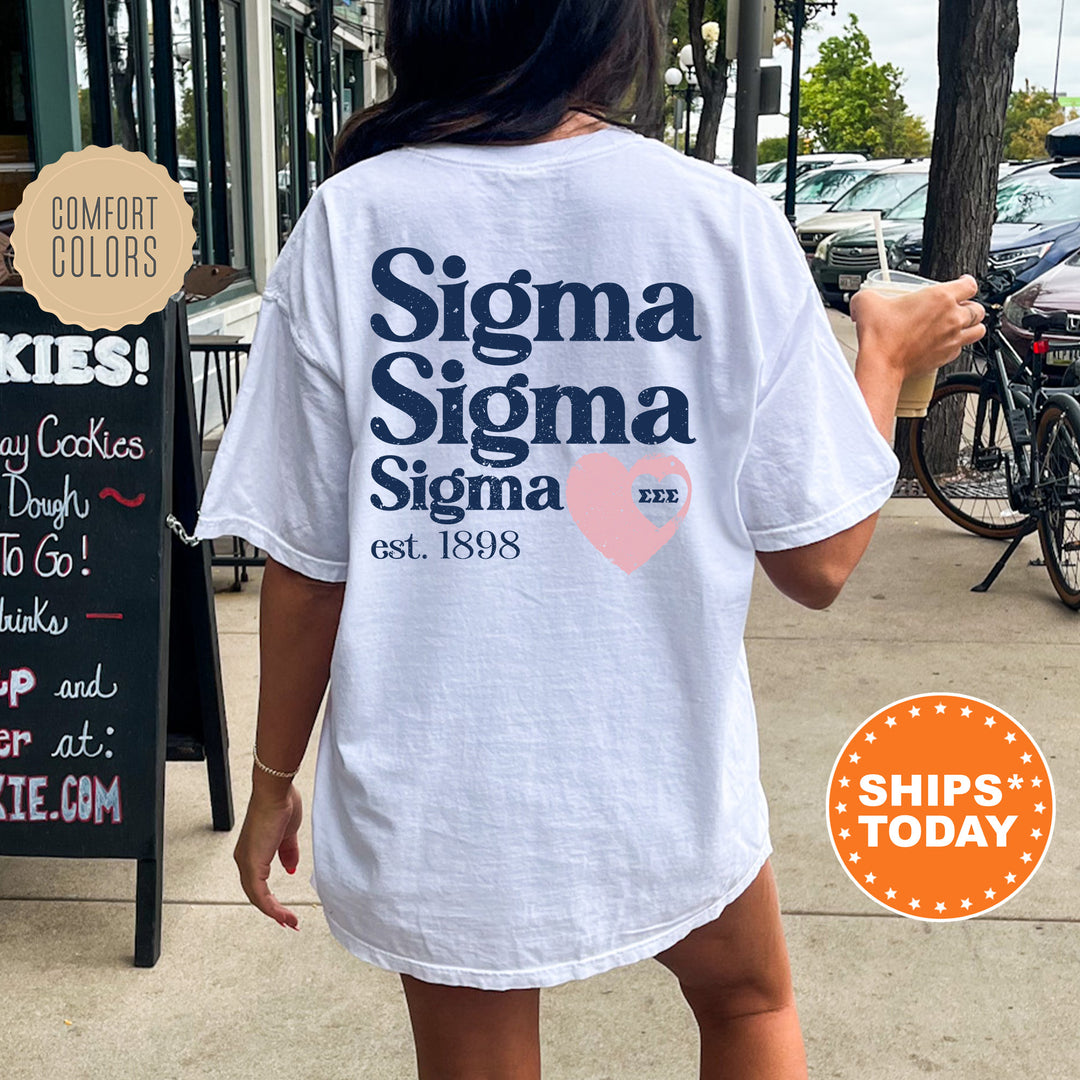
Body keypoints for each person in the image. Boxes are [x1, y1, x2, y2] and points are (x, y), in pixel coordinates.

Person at [194, 3, 986, 1077]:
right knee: (749, 1005)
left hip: (442, 786)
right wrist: (883, 362)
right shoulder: (720, 220)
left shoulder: (350, 221)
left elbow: (309, 568)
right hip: (657, 767)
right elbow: (820, 561)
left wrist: (273, 777)